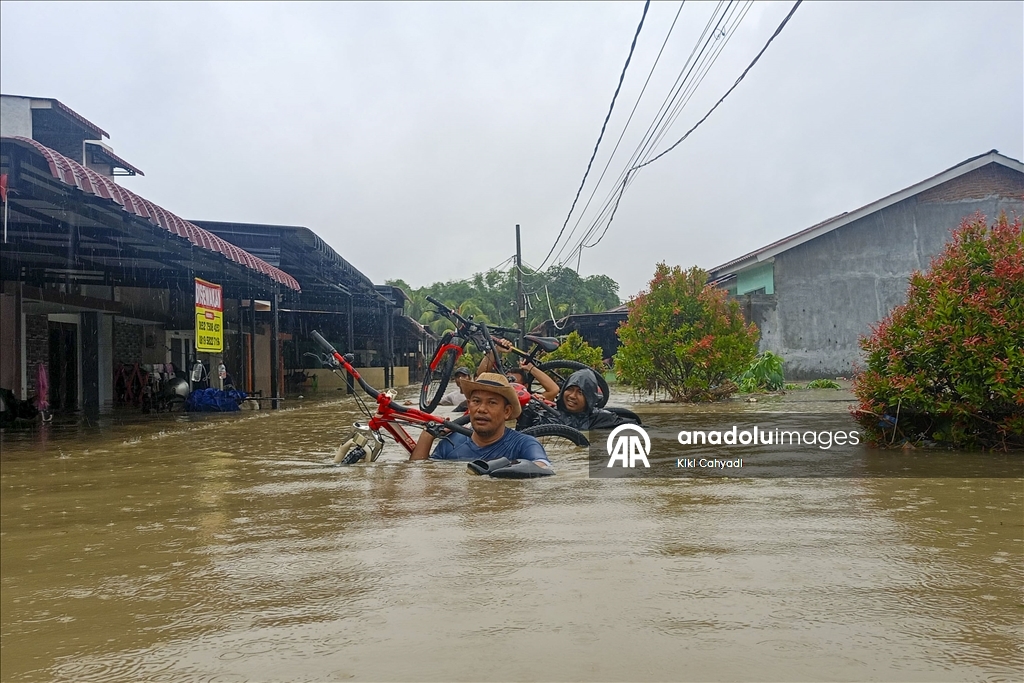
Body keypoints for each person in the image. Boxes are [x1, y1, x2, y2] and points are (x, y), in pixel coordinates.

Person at [411, 372, 551, 470]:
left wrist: (499, 467)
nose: (482, 409)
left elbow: (543, 467)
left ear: (506, 411)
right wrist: (427, 436)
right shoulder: (451, 443)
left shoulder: (524, 444)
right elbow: (418, 477)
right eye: (476, 401)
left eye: (492, 403)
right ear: (468, 405)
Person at [556, 368, 638, 430]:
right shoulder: (551, 413)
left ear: (589, 398)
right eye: (570, 389)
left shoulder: (600, 418)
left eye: (580, 392)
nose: (572, 396)